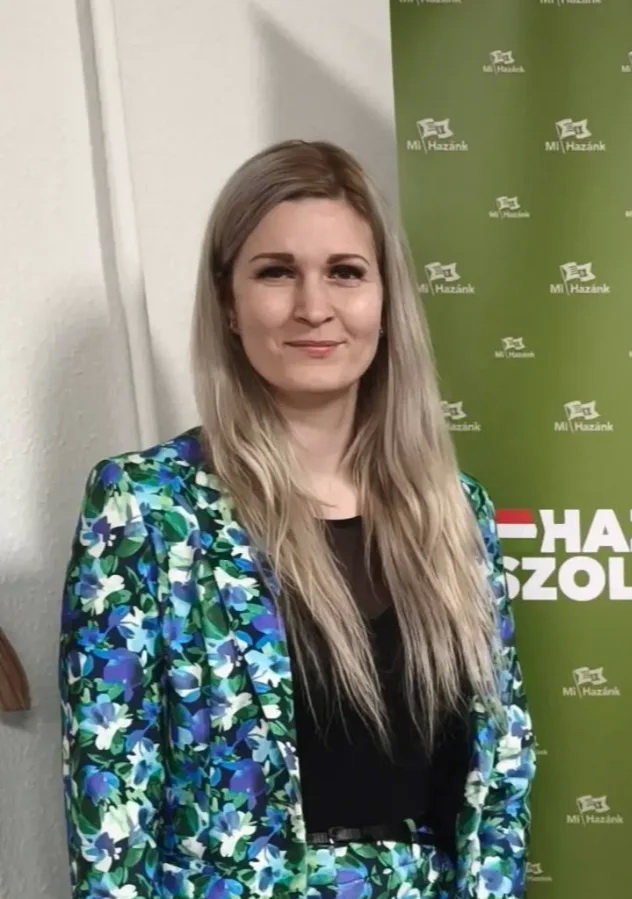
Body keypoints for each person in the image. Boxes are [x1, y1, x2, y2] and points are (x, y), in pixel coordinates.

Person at [58, 139, 535, 898]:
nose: (315, 307)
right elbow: (111, 804)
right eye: (276, 272)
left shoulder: (454, 510)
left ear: (386, 299)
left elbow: (501, 775)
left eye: (345, 272)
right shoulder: (149, 506)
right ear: (228, 301)